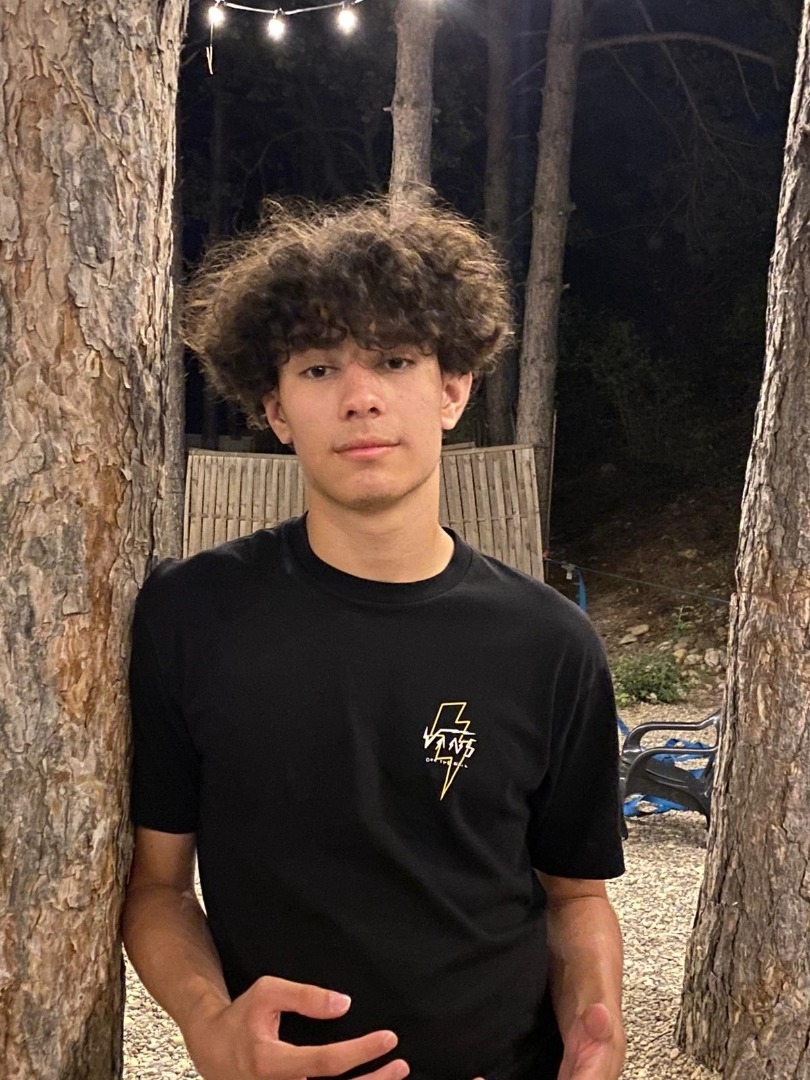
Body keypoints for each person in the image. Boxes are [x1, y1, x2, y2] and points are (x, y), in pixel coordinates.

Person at [123, 198, 625, 1080]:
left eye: (394, 360)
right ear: (276, 407)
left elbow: (575, 895)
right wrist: (210, 1025)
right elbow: (157, 887)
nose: (360, 397)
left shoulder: (551, 642)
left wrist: (597, 1023)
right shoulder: (191, 614)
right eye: (319, 369)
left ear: (453, 389)